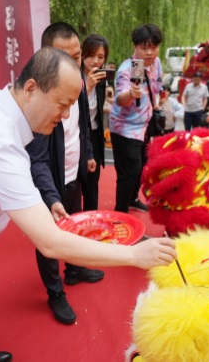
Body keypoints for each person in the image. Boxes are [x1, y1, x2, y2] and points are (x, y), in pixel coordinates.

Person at [0, 47, 177, 362]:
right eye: (63, 104)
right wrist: (133, 255)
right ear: (31, 89)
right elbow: (50, 243)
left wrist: (45, 202)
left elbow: (13, 173)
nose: (66, 115)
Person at [26, 23, 103, 326]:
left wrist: (89, 156)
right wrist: (50, 196)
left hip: (75, 173)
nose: (73, 65)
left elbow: (83, 125)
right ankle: (54, 290)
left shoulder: (78, 84)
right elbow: (37, 159)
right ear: (46, 57)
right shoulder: (41, 98)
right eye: (65, 58)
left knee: (77, 224)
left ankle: (73, 268)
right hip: (49, 182)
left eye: (76, 57)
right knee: (49, 237)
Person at [110, 23, 164, 213]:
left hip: (145, 126)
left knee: (142, 169)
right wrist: (131, 94)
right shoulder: (127, 69)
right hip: (125, 129)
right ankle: (120, 213)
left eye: (154, 47)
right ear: (135, 46)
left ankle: (132, 199)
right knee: (129, 172)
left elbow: (157, 87)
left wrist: (157, 103)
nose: (149, 52)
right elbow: (121, 99)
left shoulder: (156, 64)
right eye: (144, 47)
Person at [81, 33, 109, 211]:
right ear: (82, 55)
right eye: (91, 55)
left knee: (92, 186)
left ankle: (91, 221)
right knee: (74, 183)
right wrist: (86, 86)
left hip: (94, 135)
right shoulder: (71, 76)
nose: (95, 61)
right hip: (75, 135)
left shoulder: (101, 80)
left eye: (100, 57)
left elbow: (96, 109)